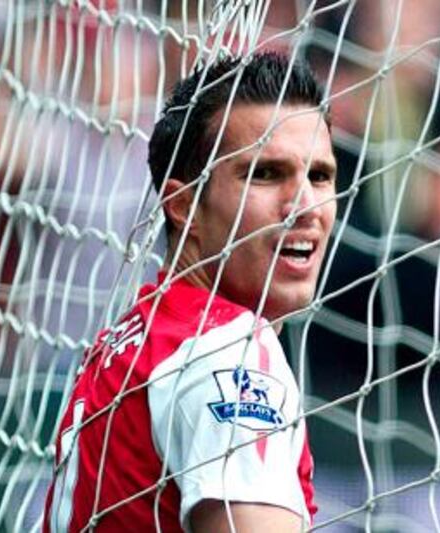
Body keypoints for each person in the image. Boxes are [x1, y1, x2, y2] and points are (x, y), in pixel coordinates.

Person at [43, 51, 337, 532]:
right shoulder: (230, 354)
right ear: (184, 205)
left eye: (319, 175)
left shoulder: (138, 340)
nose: (305, 205)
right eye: (264, 174)